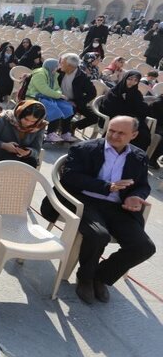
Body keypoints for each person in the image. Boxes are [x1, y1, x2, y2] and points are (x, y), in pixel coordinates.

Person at [59, 116, 155, 305]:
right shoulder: (84, 149)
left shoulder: (138, 156)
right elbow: (70, 177)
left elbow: (142, 185)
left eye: (121, 133)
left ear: (133, 135)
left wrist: (136, 196)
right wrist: (107, 187)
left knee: (144, 247)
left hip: (118, 207)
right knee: (98, 235)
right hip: (85, 201)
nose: (114, 135)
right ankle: (85, 278)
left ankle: (101, 277)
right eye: (111, 130)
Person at [99, 71, 151, 151]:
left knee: (143, 134)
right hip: (116, 119)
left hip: (132, 120)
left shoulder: (137, 94)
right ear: (125, 79)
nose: (132, 82)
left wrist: (132, 100)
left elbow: (142, 110)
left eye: (135, 80)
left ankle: (131, 156)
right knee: (125, 131)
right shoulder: (115, 92)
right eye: (129, 79)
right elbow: (108, 107)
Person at [25, 58, 75, 143]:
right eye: (56, 67)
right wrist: (59, 95)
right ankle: (50, 134)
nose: (57, 69)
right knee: (54, 109)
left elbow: (57, 88)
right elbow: (44, 89)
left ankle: (65, 133)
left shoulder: (53, 74)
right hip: (35, 97)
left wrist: (59, 94)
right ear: (51, 67)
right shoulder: (39, 74)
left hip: (50, 97)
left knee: (68, 108)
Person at [0, 100, 47, 167]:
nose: (28, 123)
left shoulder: (39, 126)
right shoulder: (6, 118)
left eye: (33, 121)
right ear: (20, 113)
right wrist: (4, 145)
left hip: (21, 160)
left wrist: (28, 152)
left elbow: (36, 149)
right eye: (26, 119)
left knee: (31, 162)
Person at [58, 53, 98, 138]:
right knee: (68, 113)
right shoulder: (60, 71)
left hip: (75, 102)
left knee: (94, 118)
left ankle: (74, 125)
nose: (60, 64)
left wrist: (77, 102)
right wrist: (28, 75)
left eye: (62, 63)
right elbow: (44, 73)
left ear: (70, 66)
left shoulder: (82, 76)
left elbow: (92, 93)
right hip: (60, 99)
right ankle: (64, 132)